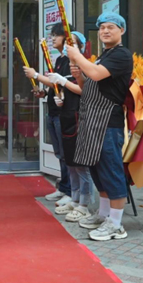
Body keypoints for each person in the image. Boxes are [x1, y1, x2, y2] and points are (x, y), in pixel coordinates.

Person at [65, 12, 133, 241]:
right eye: (102, 27)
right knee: (97, 169)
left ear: (121, 30)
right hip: (91, 121)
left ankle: (116, 224)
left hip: (108, 122)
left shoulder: (121, 55)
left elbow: (95, 73)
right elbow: (89, 87)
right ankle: (104, 214)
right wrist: (79, 77)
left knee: (111, 171)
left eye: (110, 27)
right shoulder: (104, 56)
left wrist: (77, 56)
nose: (105, 31)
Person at [23, 27, 94, 218]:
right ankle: (73, 197)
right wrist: (54, 94)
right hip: (64, 114)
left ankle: (83, 203)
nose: (54, 39)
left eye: (72, 43)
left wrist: (40, 76)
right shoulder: (63, 61)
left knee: (79, 163)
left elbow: (83, 90)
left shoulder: (82, 65)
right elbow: (60, 87)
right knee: (68, 159)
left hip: (77, 117)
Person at [22, 24, 73, 206]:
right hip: (52, 111)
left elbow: (61, 83)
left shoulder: (71, 60)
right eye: (51, 35)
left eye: (56, 35)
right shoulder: (59, 59)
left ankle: (71, 191)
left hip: (63, 113)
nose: (53, 39)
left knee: (67, 154)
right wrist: (43, 93)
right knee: (60, 153)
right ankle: (63, 187)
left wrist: (36, 75)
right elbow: (54, 87)